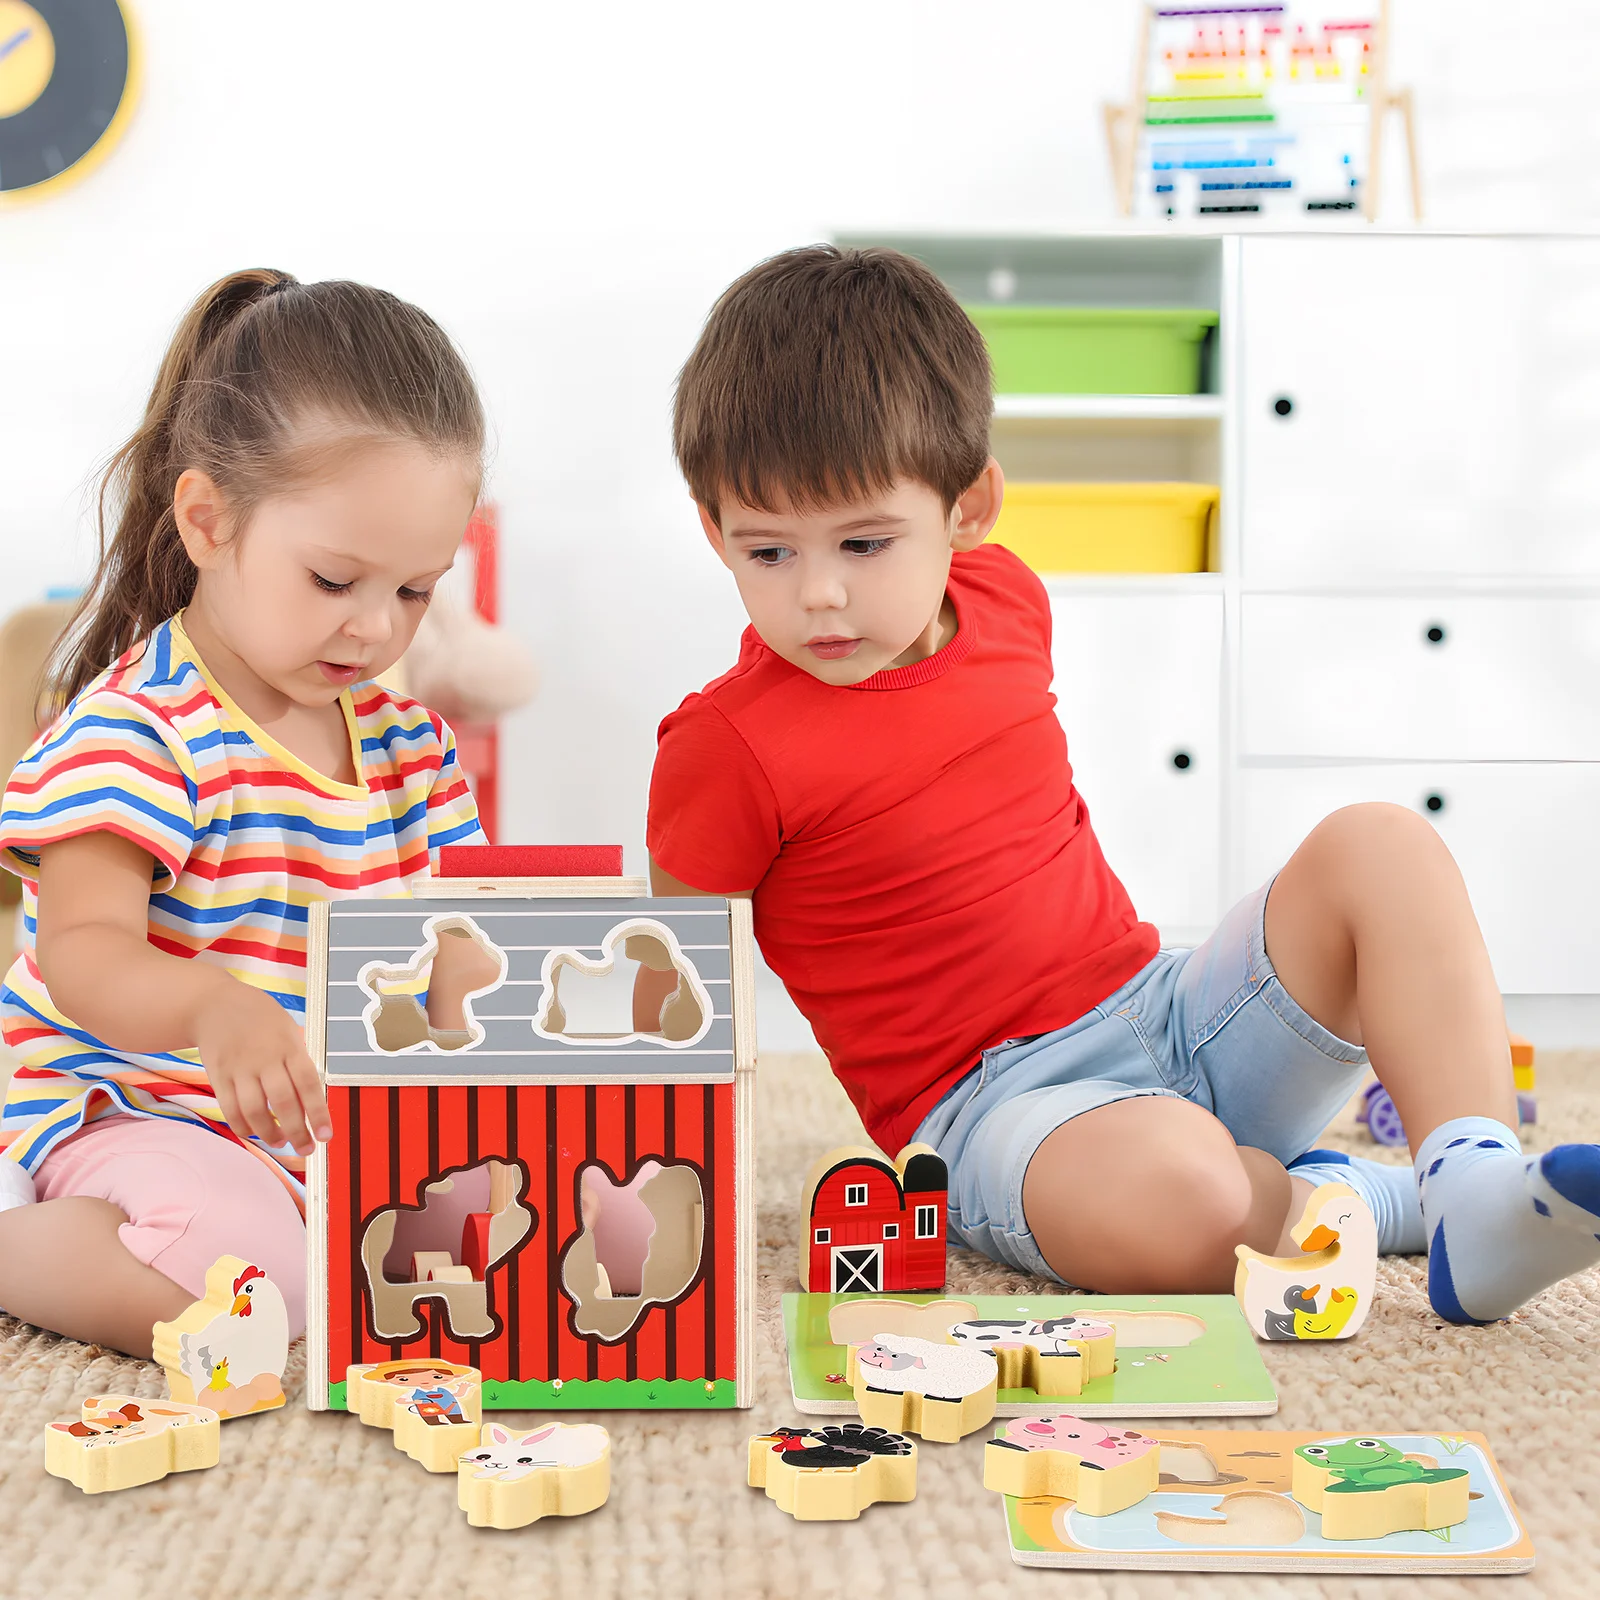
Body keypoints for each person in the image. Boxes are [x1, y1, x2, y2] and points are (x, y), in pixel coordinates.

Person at [644, 244, 1600, 1325]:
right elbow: (680, 996)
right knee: (1184, 1195)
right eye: (767, 551)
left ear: (969, 509)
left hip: (1170, 1007)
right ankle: (1363, 1196)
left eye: (865, 542)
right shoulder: (725, 745)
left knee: (1384, 842)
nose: (818, 594)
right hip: (998, 1107)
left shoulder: (1005, 601)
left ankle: (1470, 1187)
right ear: (711, 525)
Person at [0, 270, 489, 1356]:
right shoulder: (140, 730)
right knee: (257, 1288)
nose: (374, 626)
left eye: (414, 590)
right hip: (141, 1113)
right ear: (209, 521)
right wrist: (213, 1010)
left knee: (548, 1234)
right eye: (332, 579)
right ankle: (17, 1238)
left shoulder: (411, 750)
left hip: (333, 1133)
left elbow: (463, 942)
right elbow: (82, 953)